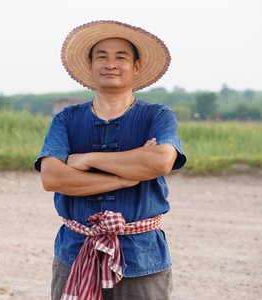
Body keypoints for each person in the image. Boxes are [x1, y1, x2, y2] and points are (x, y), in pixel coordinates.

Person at [34, 20, 187, 300]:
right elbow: (52, 178)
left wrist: (87, 159)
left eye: (121, 57)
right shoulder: (66, 119)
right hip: (75, 251)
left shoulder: (158, 116)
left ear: (136, 67)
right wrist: (124, 176)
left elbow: (160, 162)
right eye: (101, 56)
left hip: (141, 258)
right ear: (91, 66)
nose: (110, 64)